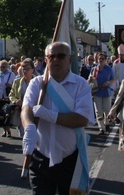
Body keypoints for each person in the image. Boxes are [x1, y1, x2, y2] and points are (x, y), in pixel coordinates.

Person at [21, 42, 94, 194]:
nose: (56, 60)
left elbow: (81, 119)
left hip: (69, 160)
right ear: (46, 60)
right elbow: (26, 108)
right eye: (51, 56)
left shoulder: (81, 85)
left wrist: (50, 115)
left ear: (70, 59)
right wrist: (29, 127)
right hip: (41, 157)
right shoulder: (37, 83)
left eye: (61, 56)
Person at [9, 58, 36, 137]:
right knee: (23, 135)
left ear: (32, 70)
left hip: (34, 112)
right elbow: (11, 94)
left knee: (34, 134)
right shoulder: (17, 81)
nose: (25, 71)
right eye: (23, 68)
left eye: (27, 69)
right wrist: (16, 101)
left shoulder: (37, 82)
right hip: (21, 111)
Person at [0, 59, 16, 137]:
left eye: (4, 67)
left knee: (7, 114)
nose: (2, 68)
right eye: (1, 67)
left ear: (7, 67)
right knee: (1, 114)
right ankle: (4, 131)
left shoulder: (11, 74)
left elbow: (15, 85)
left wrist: (10, 85)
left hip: (7, 97)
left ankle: (8, 130)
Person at [91, 52, 115, 135]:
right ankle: (101, 128)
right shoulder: (94, 69)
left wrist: (108, 82)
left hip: (106, 92)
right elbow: (91, 79)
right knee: (98, 111)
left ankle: (107, 123)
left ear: (105, 60)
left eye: (102, 59)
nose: (100, 60)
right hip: (97, 92)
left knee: (107, 109)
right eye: (99, 58)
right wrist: (90, 80)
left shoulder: (108, 69)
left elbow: (113, 79)